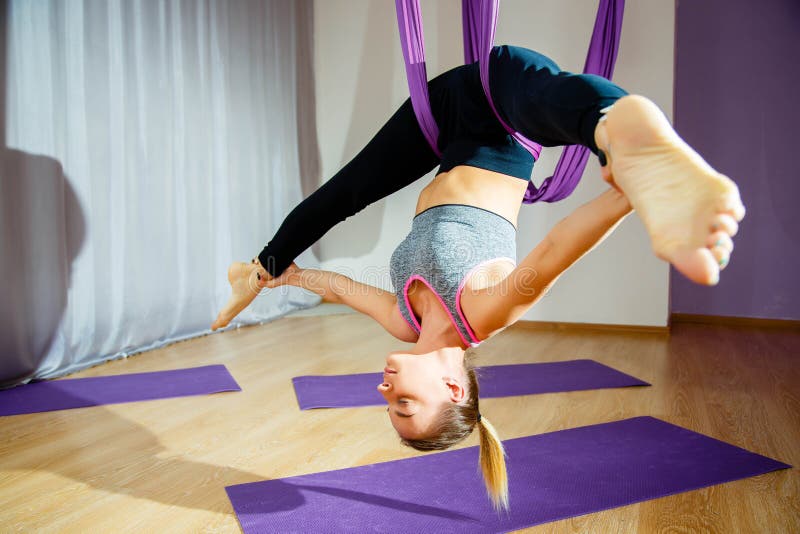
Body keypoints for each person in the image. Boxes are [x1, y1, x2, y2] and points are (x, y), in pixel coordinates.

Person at [211, 46, 744, 510]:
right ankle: (624, 140)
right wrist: (625, 199)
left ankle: (258, 266)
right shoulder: (482, 313)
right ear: (451, 386)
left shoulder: (404, 322)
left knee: (346, 191)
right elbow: (556, 250)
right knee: (552, 100)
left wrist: (281, 279)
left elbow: (335, 287)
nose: (383, 390)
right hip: (503, 117)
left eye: (389, 404)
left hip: (442, 125)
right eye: (403, 403)